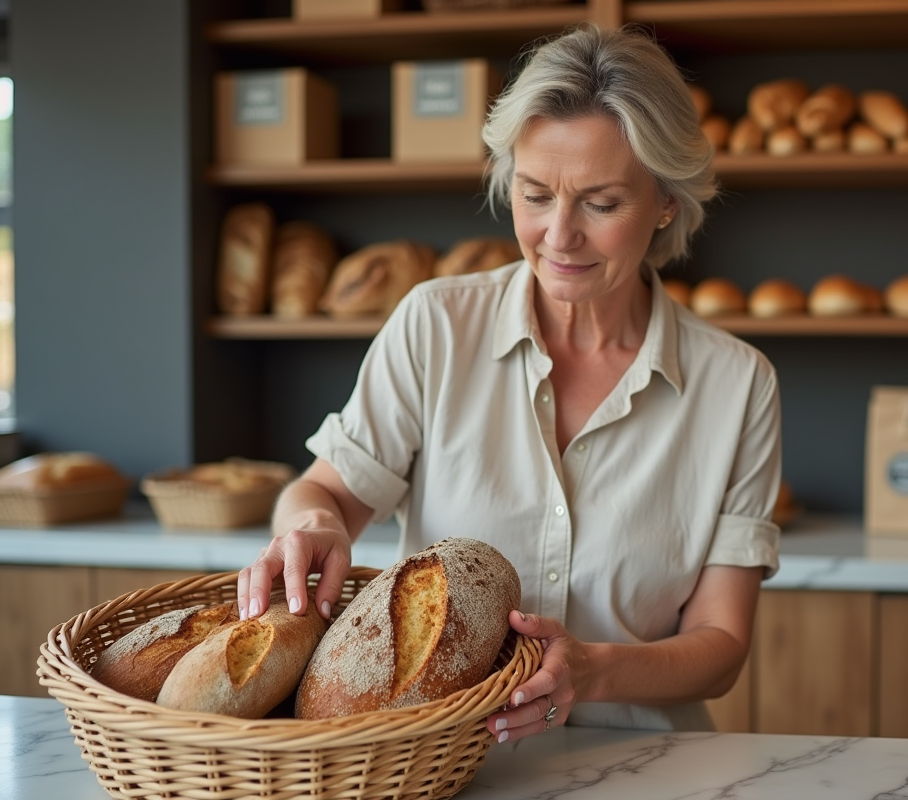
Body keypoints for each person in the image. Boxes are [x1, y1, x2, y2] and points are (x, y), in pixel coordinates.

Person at [237, 22, 782, 743]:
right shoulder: (436, 325)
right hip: (437, 766)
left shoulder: (738, 385)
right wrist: (313, 527)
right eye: (534, 195)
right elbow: (328, 492)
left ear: (667, 203)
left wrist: (593, 670)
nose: (559, 236)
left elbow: (720, 645)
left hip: (646, 766)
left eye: (602, 202)